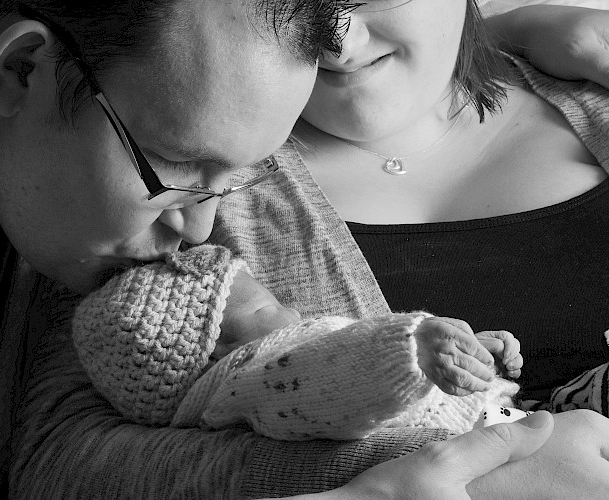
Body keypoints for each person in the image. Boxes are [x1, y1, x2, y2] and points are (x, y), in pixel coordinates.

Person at [0, 0, 608, 498]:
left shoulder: (77, 165)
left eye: (230, 181)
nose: (195, 232)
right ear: (21, 69)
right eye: (181, 169)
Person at [205, 0, 609, 497]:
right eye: (285, 6)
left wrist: (512, 30)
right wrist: (440, 480)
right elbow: (86, 449)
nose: (340, 44)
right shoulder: (186, 185)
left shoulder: (591, 77)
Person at [70, 243, 529, 438]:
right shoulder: (262, 380)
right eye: (265, 308)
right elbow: (340, 380)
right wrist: (417, 352)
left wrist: (471, 352)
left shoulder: (267, 367)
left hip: (485, 415)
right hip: (480, 435)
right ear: (219, 347)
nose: (289, 311)